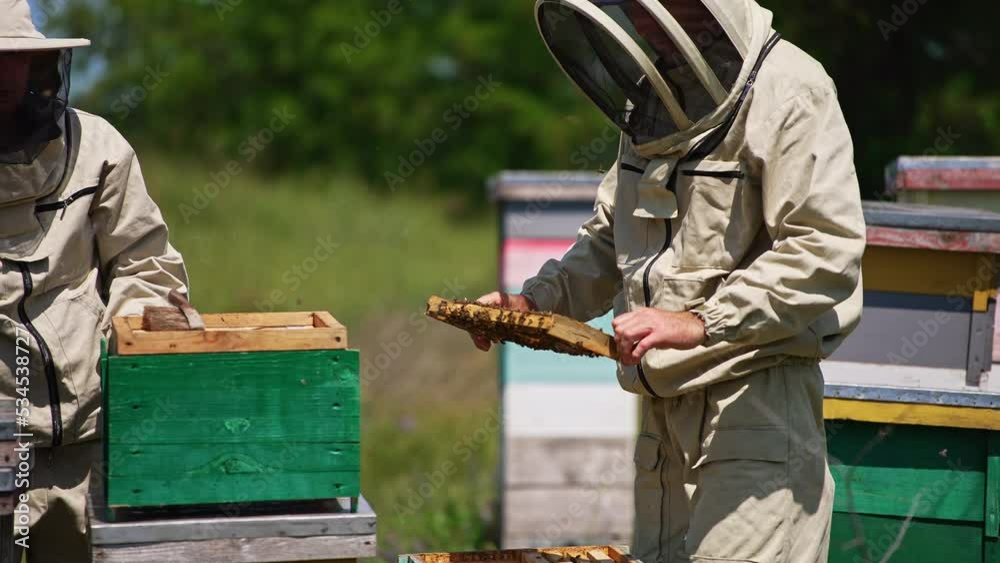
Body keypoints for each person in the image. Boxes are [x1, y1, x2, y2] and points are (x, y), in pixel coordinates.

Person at [474, 1, 865, 561]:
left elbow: (824, 248)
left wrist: (700, 321)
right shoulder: (656, 92)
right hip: (662, 420)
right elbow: (612, 238)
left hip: (752, 404)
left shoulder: (792, 90)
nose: (644, 21)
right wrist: (534, 302)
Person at [0, 1, 189, 561]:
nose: (3, 73)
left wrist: (134, 338)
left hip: (88, 449)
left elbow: (144, 264)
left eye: (13, 57)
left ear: (36, 62)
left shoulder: (99, 148)